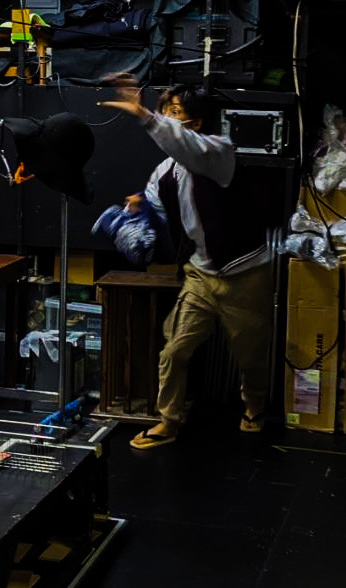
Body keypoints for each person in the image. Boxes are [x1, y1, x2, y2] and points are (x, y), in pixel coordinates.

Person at [99, 77, 273, 450]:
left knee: (250, 355)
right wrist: (137, 210)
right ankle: (169, 420)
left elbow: (186, 146)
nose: (165, 117)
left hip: (246, 272)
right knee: (175, 350)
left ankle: (255, 406)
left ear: (195, 122)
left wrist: (146, 117)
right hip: (201, 273)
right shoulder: (165, 172)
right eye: (163, 110)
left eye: (174, 112)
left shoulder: (218, 152)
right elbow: (155, 203)